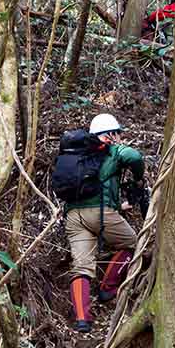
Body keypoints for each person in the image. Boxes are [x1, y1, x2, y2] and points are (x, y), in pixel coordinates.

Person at [62, 113, 145, 333]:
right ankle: (108, 288)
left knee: (81, 266)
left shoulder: (76, 154)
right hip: (100, 214)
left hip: (73, 217)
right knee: (133, 244)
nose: (119, 138)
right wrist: (138, 179)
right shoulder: (111, 150)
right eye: (117, 133)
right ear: (109, 134)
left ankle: (82, 319)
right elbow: (135, 157)